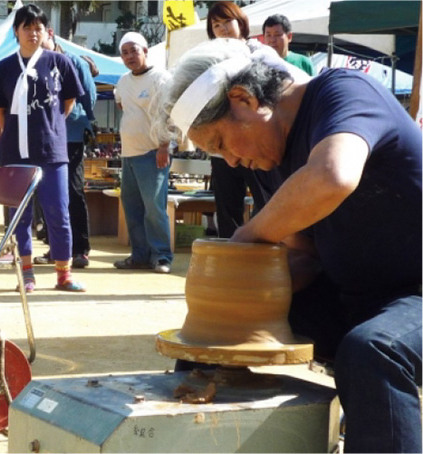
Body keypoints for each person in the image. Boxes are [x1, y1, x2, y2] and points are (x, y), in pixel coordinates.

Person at [157, 38, 421, 453]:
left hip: (414, 294)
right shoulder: (268, 159)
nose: (228, 161)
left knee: (372, 351)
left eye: (221, 143)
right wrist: (238, 301)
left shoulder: (343, 93)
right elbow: (306, 254)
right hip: (356, 297)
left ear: (243, 99)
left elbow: (333, 175)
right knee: (214, 339)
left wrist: (244, 241)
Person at [0, 4, 85, 293]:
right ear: (16, 31)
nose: (33, 32)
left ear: (46, 31)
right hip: (15, 153)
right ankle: (26, 273)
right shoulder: (3, 67)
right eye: (27, 27)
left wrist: (49, 127)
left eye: (38, 27)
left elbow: (68, 103)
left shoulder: (59, 62)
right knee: (20, 216)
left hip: (52, 151)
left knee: (59, 212)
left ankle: (63, 274)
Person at [203, 1, 267, 238]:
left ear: (240, 22)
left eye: (227, 22)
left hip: (257, 144)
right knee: (227, 209)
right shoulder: (209, 59)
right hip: (224, 148)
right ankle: (231, 258)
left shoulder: (258, 52)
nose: (223, 29)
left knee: (265, 201)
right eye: (216, 25)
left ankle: (264, 254)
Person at [34, 27, 97, 269]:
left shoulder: (73, 61)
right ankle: (57, 249)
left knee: (72, 190)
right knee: (49, 194)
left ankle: (80, 249)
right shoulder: (34, 64)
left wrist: (79, 120)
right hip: (44, 136)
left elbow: (89, 97)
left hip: (70, 134)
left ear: (49, 32)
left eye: (39, 31)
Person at [113, 32, 172, 274]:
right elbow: (121, 105)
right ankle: (139, 255)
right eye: (124, 52)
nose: (129, 56)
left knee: (154, 208)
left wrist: (165, 146)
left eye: (133, 50)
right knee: (132, 206)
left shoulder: (161, 78)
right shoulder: (123, 81)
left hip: (153, 152)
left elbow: (169, 114)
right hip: (129, 154)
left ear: (146, 51)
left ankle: (162, 257)